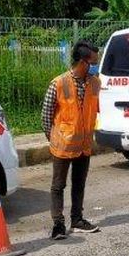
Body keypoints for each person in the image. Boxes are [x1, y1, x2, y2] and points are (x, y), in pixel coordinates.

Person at [41, 40, 102, 240]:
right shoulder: (58, 83)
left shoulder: (95, 83)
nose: (96, 65)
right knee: (58, 185)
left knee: (79, 184)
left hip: (84, 145)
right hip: (62, 145)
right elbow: (46, 115)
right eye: (94, 61)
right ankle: (58, 225)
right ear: (84, 61)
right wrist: (55, 138)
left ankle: (77, 220)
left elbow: (92, 111)